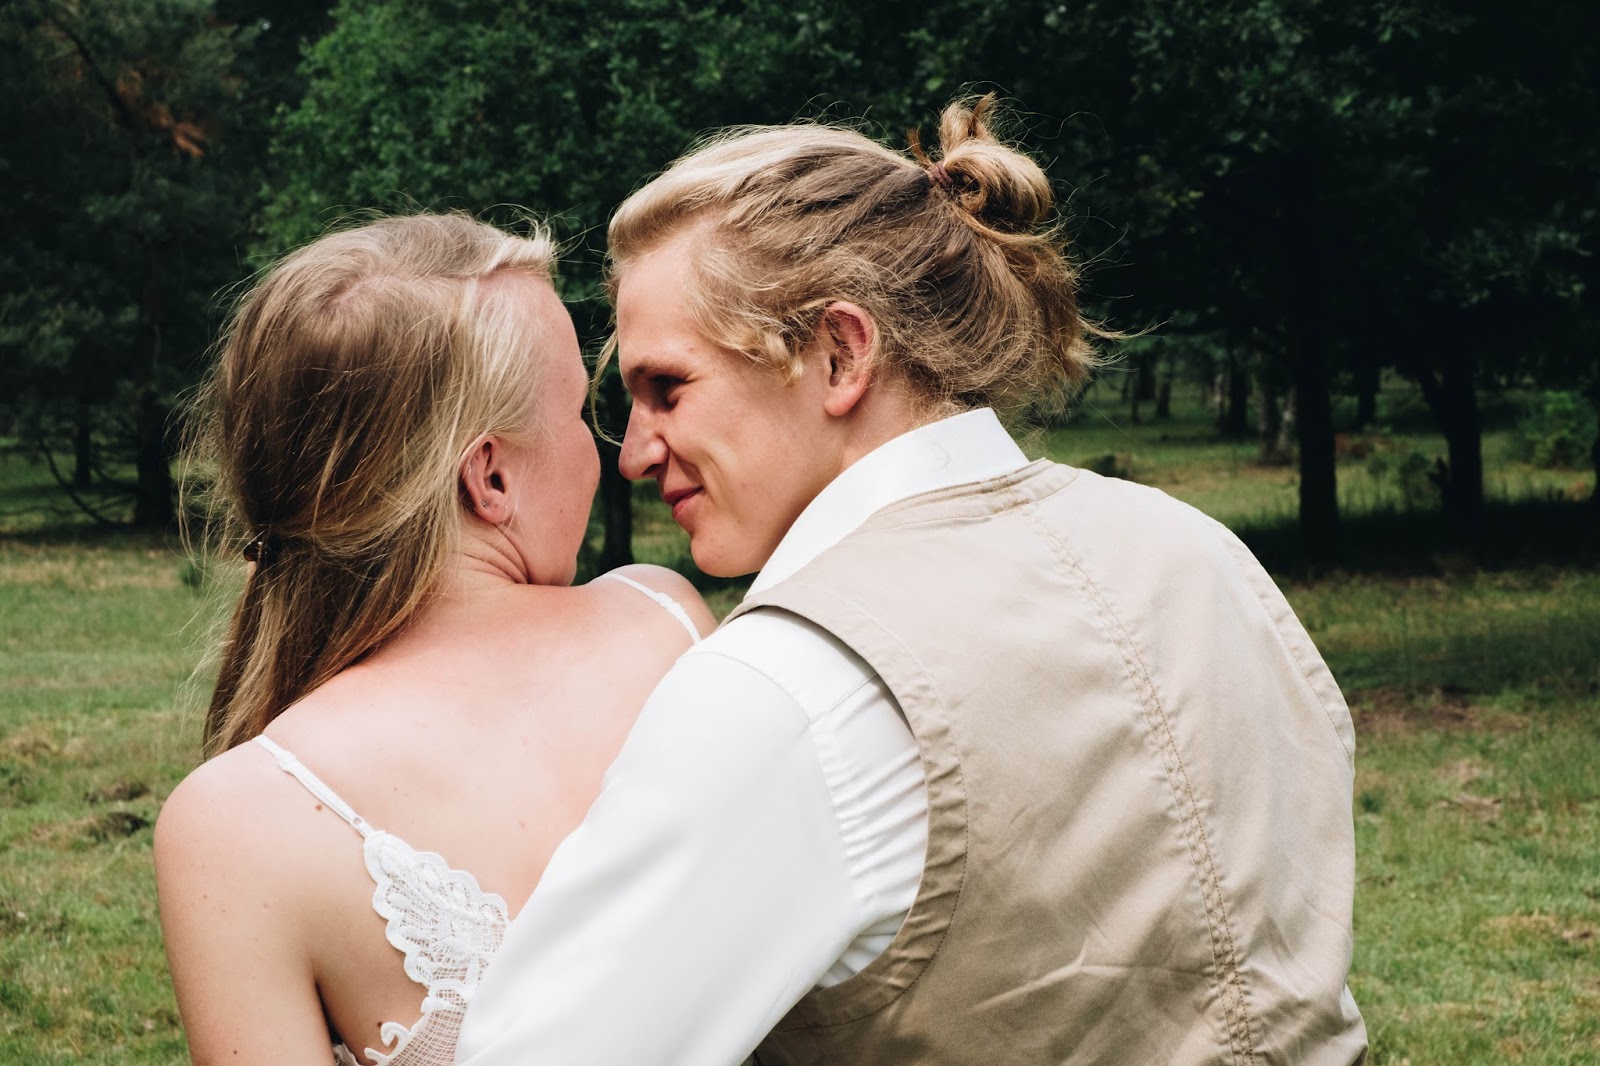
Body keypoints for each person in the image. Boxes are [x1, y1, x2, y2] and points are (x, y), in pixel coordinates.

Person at [456, 97, 1367, 1064]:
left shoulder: (789, 687)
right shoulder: (1198, 549)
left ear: (840, 354)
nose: (636, 452)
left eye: (667, 389)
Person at [153, 213, 716, 1066]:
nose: (617, 453)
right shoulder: (665, 622)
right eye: (579, 411)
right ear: (489, 476)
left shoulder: (235, 822)